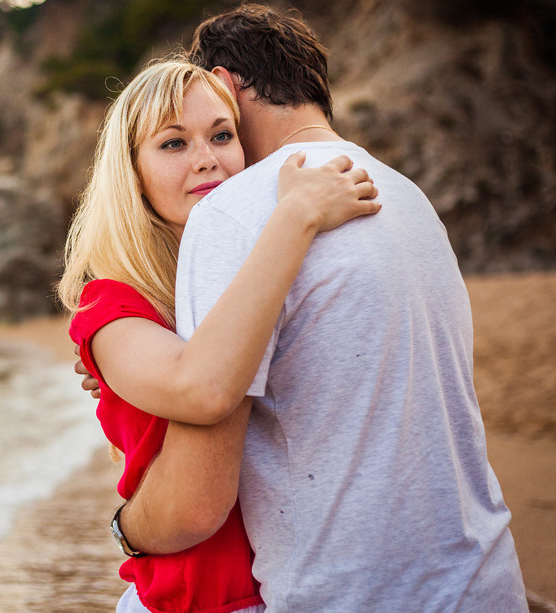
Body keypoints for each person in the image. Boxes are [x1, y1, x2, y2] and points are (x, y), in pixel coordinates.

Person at [110, 3, 529, 611]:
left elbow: (197, 497)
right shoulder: (406, 193)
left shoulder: (230, 211)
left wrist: (127, 527)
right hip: (484, 579)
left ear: (220, 87)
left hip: (355, 593)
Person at [58, 56, 380, 613]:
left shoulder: (246, 273)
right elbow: (201, 389)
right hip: (198, 602)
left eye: (222, 135)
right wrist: (295, 215)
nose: (207, 161)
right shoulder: (110, 303)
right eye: (173, 144)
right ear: (132, 174)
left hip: (297, 586)